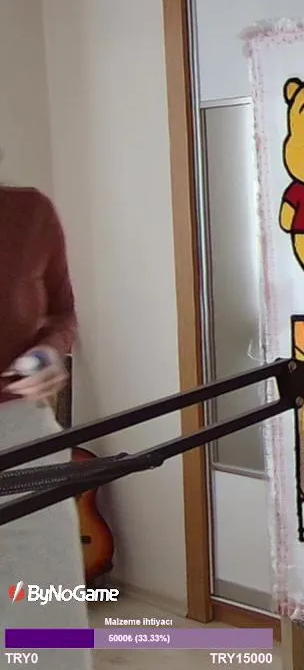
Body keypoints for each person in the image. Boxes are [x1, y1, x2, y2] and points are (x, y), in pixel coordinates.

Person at [0, 186, 91, 670]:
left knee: (47, 621)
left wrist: (50, 351)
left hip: (21, 433)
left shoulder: (29, 212)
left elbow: (62, 312)